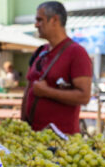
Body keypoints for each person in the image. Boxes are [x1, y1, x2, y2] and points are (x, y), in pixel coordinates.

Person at [21, 1, 92, 134]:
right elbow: (29, 88)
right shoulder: (40, 51)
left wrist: (47, 92)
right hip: (31, 135)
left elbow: (84, 97)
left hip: (61, 140)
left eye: (39, 20)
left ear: (54, 20)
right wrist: (23, 124)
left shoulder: (77, 53)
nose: (36, 25)